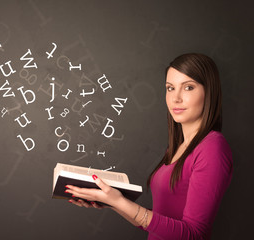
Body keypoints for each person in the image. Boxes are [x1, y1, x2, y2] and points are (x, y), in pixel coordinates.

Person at [65, 53, 233, 239]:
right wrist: (110, 201)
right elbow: (157, 224)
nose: (175, 98)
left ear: (209, 92)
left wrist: (119, 202)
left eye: (188, 87)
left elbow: (194, 234)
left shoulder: (212, 148)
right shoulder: (176, 148)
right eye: (170, 88)